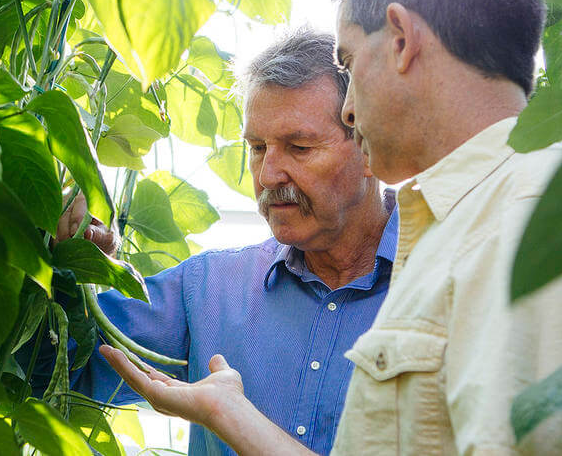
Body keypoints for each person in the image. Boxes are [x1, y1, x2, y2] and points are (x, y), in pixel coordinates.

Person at [97, 0, 562, 454]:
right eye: (257, 147)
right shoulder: (449, 229)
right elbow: (56, 354)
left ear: (402, 40)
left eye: (352, 60)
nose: (353, 112)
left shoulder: (534, 221)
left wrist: (234, 418)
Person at [54, 28, 398, 456]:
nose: (268, 175)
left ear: (371, 144)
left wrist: (228, 413)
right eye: (257, 147)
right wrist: (71, 260)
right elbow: (55, 367)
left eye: (300, 147)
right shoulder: (209, 289)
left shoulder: (449, 286)